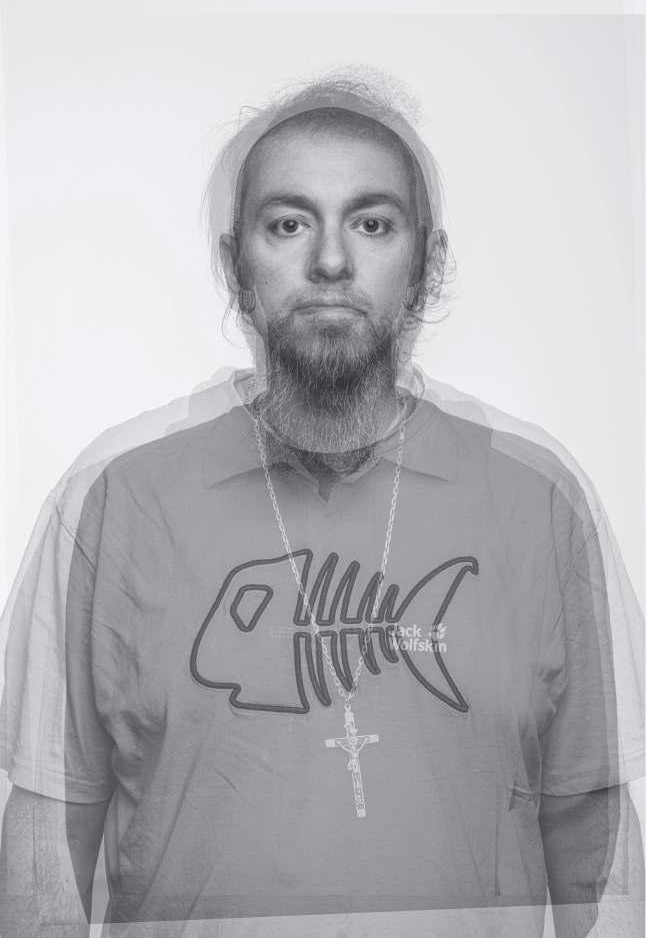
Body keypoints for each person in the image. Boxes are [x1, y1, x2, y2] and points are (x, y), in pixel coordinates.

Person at [0, 74, 643, 938]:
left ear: (427, 265)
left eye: (372, 224)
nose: (331, 262)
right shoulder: (113, 496)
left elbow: (594, 838)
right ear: (235, 264)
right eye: (288, 223)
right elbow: (46, 844)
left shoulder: (541, 497)